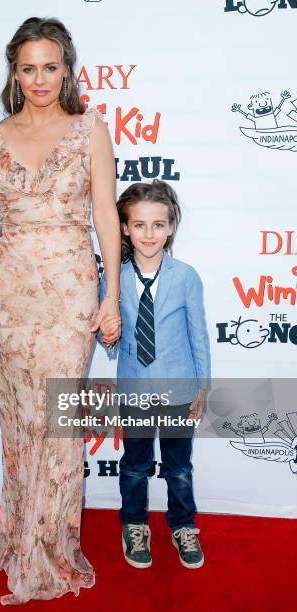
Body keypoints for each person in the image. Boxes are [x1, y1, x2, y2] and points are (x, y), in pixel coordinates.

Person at [0, 17, 121, 606]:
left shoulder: (90, 132)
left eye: (50, 67)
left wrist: (111, 297)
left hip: (71, 293)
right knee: (19, 421)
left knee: (56, 421)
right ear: (15, 71)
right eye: (28, 68)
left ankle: (49, 546)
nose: (39, 79)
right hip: (10, 293)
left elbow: (106, 216)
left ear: (67, 68)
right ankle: (22, 531)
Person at [98, 180, 211, 570]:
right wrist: (107, 335)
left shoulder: (186, 277)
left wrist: (202, 387)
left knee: (179, 467)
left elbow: (199, 336)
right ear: (125, 228)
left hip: (179, 389)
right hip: (134, 390)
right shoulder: (113, 280)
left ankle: (183, 525)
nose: (150, 234)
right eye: (140, 225)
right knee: (134, 464)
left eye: (158, 225)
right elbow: (109, 337)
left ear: (171, 228)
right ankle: (133, 524)